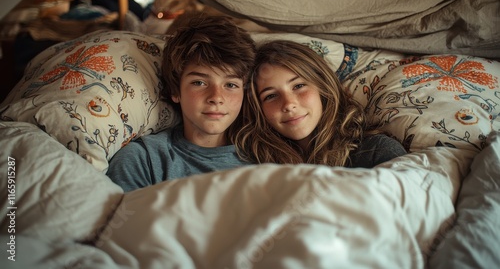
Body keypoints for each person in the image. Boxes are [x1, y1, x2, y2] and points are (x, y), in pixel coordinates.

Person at [107, 15, 257, 192]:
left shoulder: (264, 155)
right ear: (176, 90)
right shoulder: (144, 159)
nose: (216, 97)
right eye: (199, 83)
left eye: (231, 85)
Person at [235, 40, 406, 168]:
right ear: (258, 109)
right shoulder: (253, 164)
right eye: (271, 96)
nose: (289, 104)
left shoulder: (377, 152)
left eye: (299, 86)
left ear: (323, 87)